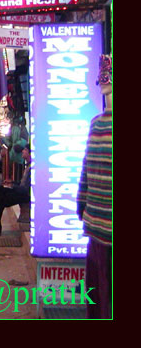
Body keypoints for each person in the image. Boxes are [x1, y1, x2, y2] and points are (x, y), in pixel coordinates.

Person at [77, 54, 112, 319]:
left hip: (97, 227)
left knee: (100, 297)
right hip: (105, 225)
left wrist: (83, 209)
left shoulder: (96, 124)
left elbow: (85, 175)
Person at [0, 144, 31, 237]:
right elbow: (22, 184)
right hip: (22, 192)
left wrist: (12, 186)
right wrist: (12, 183)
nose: (23, 151)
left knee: (0, 195)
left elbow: (26, 188)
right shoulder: (28, 166)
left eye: (25, 150)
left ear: (30, 154)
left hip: (25, 195)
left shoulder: (32, 168)